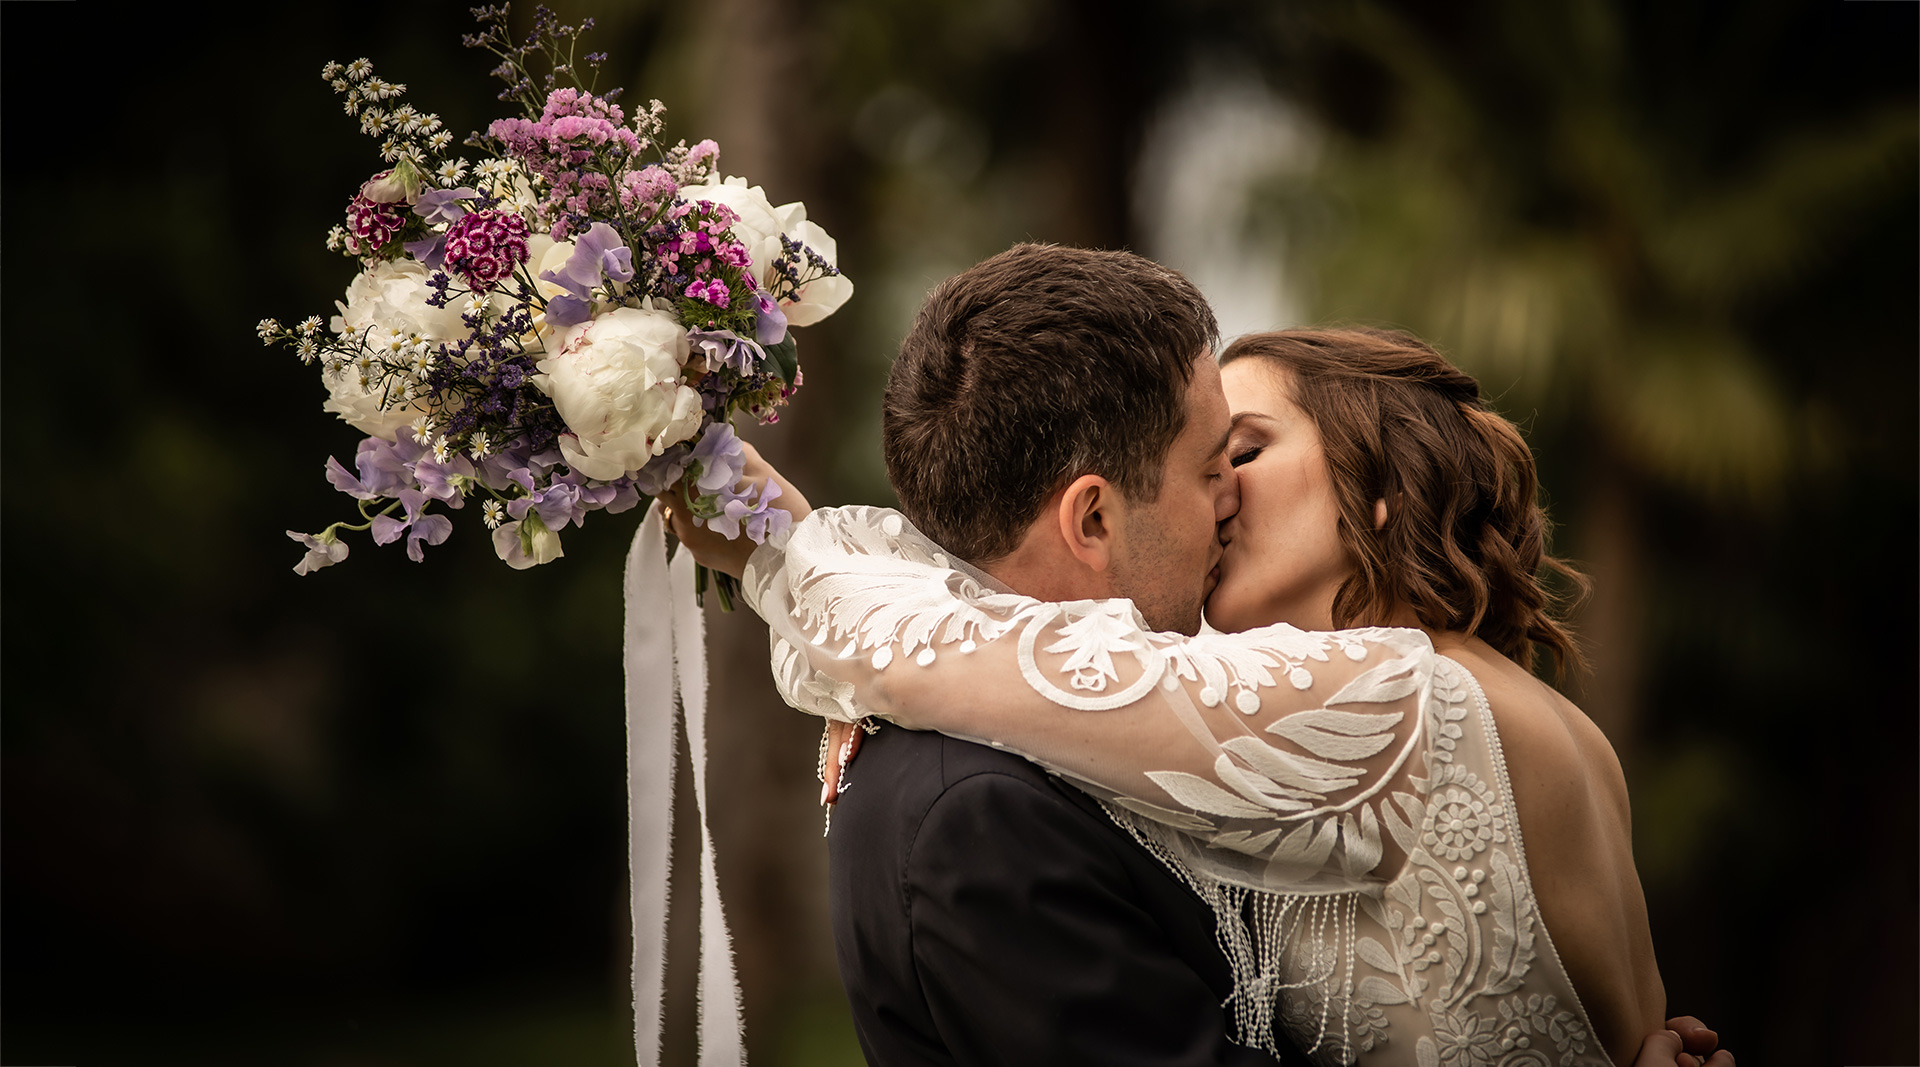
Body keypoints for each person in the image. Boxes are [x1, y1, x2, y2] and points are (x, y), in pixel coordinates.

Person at [671, 244, 1731, 1067]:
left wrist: (781, 548)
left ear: (1380, 486)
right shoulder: (1488, 703)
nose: (1224, 488)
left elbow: (980, 655)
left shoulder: (1401, 697)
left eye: (1249, 449)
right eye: (1212, 458)